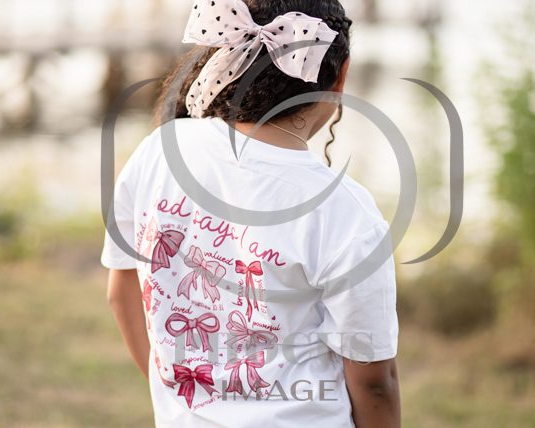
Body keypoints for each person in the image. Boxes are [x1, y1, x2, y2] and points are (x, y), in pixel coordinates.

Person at [101, 0, 401, 427]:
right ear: (340, 76)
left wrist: (184, 399)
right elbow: (374, 381)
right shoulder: (345, 213)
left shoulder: (160, 150)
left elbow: (122, 291)